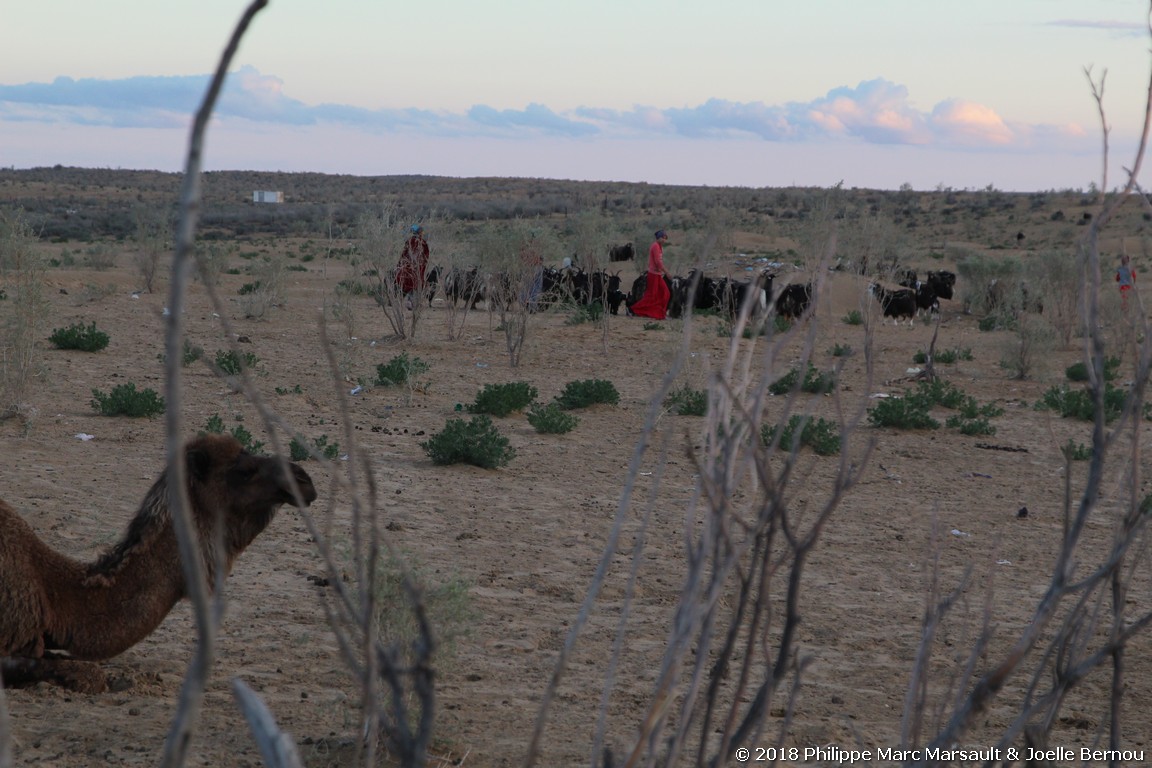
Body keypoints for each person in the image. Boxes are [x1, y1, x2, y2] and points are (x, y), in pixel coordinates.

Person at [628, 230, 671, 319]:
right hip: (654, 274)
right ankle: (633, 309)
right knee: (651, 296)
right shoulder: (655, 246)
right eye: (662, 238)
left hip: (658, 274)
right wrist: (667, 272)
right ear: (658, 238)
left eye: (665, 238)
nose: (664, 240)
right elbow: (658, 262)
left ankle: (661, 313)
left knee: (665, 293)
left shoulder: (659, 247)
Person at [396, 224, 430, 310]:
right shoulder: (423, 243)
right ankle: (412, 303)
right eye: (422, 232)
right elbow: (426, 256)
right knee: (416, 285)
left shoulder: (409, 241)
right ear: (419, 232)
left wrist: (400, 264)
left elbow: (404, 254)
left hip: (408, 267)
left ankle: (409, 302)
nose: (423, 233)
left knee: (408, 284)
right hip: (418, 268)